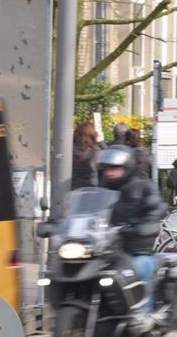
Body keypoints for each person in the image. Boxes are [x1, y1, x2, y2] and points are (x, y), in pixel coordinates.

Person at [96, 145, 166, 323]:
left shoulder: (144, 188)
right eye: (108, 170)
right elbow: (84, 212)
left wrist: (147, 223)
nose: (110, 174)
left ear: (127, 168)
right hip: (108, 252)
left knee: (138, 269)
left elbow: (157, 208)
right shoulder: (100, 192)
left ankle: (143, 316)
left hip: (137, 250)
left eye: (115, 169)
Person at [71, 121, 102, 190]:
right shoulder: (96, 151)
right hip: (90, 188)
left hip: (72, 188)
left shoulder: (69, 149)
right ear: (93, 134)